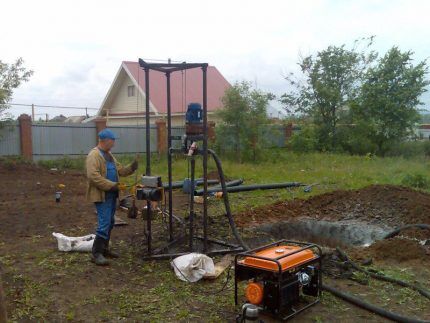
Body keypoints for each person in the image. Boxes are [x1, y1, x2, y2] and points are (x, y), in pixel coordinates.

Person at [86, 128, 138, 266]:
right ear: (106, 141)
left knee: (110, 222)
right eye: (112, 140)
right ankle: (96, 253)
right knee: (104, 223)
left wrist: (132, 167)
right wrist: (112, 185)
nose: (114, 144)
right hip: (102, 195)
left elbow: (120, 170)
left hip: (111, 195)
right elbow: (93, 176)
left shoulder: (109, 155)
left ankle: (104, 249)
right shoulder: (94, 155)